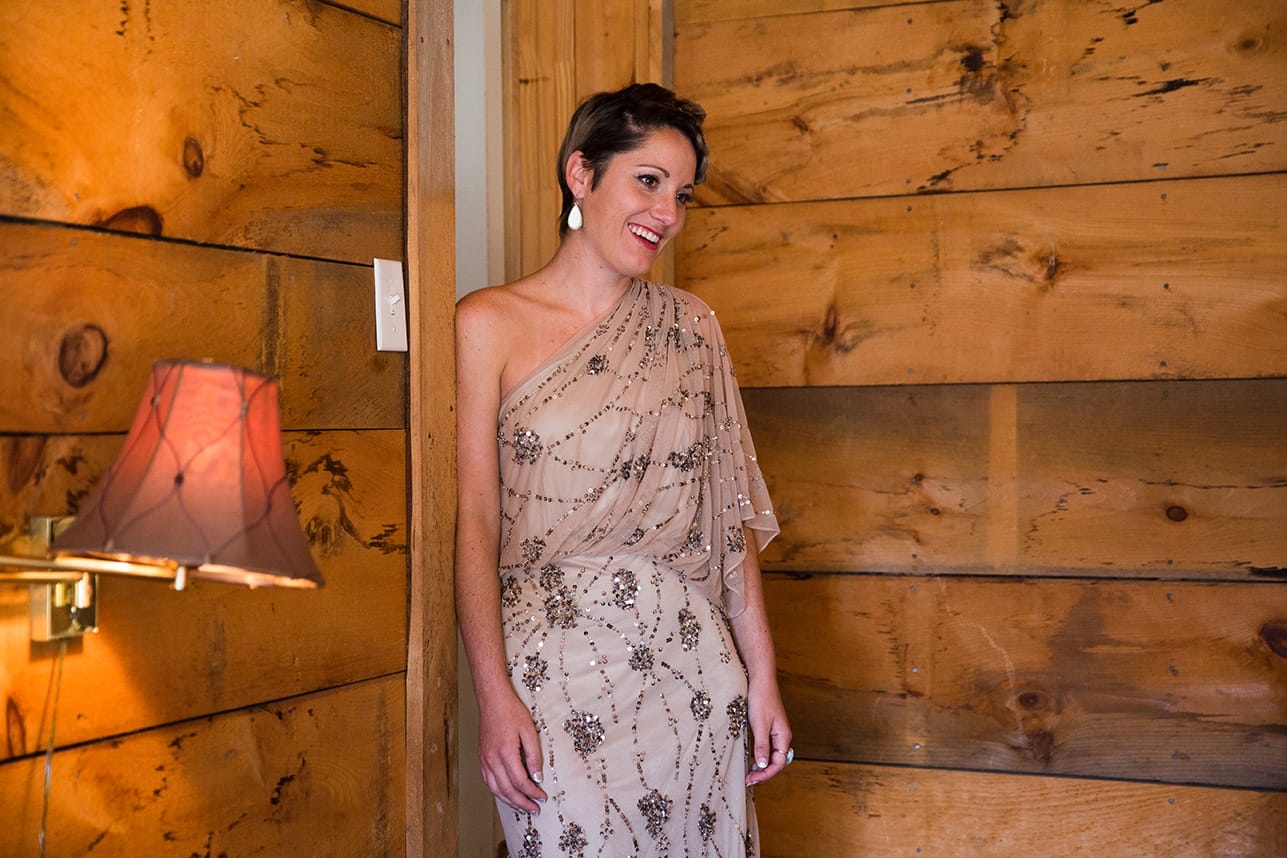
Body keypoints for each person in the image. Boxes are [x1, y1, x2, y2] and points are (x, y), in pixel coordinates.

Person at [455, 82, 792, 857]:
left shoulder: (691, 326)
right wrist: (492, 695)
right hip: (550, 674)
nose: (665, 213)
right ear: (581, 174)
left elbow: (727, 523)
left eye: (682, 195)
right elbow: (471, 519)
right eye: (648, 181)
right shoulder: (484, 324)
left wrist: (762, 678)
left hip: (694, 669)